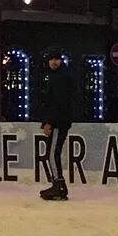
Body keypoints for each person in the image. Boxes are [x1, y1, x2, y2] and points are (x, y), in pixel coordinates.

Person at [39, 52, 77, 201]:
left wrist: (49, 122)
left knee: (52, 154)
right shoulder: (58, 77)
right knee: (53, 153)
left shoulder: (59, 78)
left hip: (59, 122)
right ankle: (58, 184)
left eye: (57, 59)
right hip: (60, 120)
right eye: (51, 59)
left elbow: (57, 103)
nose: (54, 62)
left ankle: (58, 185)